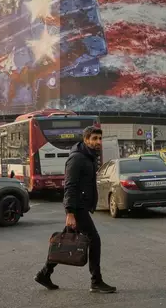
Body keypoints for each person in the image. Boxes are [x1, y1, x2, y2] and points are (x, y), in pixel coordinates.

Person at [35, 126, 116, 294]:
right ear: (86, 140)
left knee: (62, 241)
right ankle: (96, 281)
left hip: (81, 206)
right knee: (94, 241)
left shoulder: (89, 156)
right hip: (77, 208)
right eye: (94, 139)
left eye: (100, 139)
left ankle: (44, 273)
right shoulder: (77, 159)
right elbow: (70, 186)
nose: (98, 142)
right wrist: (70, 212)